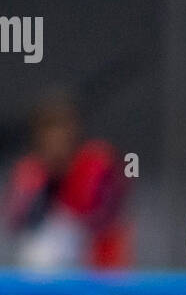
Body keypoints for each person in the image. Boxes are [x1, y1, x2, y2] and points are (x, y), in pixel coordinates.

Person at [2, 93, 131, 269]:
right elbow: (15, 224)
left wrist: (66, 181)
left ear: (74, 133)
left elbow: (106, 219)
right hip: (44, 272)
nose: (56, 140)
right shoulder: (30, 173)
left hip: (98, 272)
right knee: (41, 251)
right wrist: (43, 185)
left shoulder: (97, 164)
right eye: (49, 132)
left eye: (62, 131)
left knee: (62, 235)